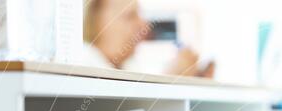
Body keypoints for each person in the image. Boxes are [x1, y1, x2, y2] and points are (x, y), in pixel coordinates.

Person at [80, 0, 215, 77]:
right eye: (130, 16)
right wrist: (171, 80)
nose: (144, 25)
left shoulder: (129, 66)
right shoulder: (81, 66)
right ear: (94, 22)